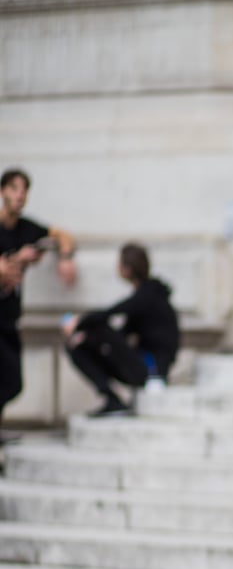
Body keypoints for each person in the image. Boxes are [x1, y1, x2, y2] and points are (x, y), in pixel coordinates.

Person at [0, 168, 77, 440]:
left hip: (8, 315)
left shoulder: (26, 229)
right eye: (13, 188)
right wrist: (16, 261)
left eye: (24, 190)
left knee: (11, 381)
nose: (19, 195)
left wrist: (65, 258)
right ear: (2, 192)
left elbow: (62, 235)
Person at [62, 243, 180, 416]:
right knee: (77, 346)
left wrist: (79, 323)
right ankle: (112, 400)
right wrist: (85, 338)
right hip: (145, 366)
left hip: (152, 370)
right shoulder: (146, 295)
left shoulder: (147, 296)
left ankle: (112, 399)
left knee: (99, 328)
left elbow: (109, 314)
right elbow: (121, 334)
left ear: (127, 269)